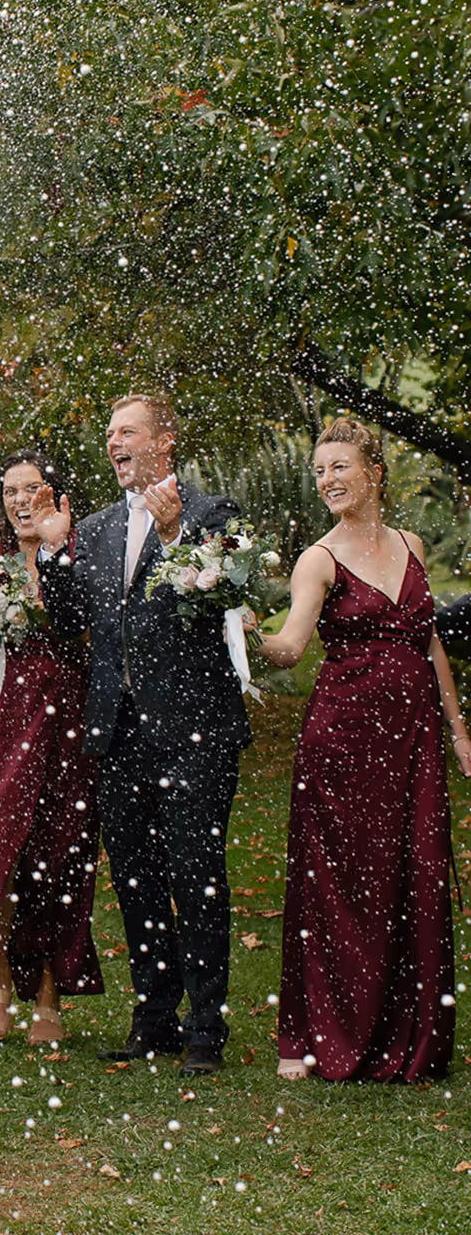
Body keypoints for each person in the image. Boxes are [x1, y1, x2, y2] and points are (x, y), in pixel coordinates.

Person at [29, 394, 248, 1075]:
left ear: (164, 441)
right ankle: (154, 1017)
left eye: (127, 431)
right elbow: (70, 622)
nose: (114, 442)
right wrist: (55, 550)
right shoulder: (94, 529)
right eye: (109, 433)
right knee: (136, 879)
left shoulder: (214, 513)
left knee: (197, 876)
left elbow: (221, 598)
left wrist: (177, 535)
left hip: (194, 729)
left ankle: (205, 1027)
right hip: (117, 731)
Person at [255, 418, 470, 1082]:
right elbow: (292, 644)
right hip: (343, 741)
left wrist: (459, 730)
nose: (327, 480)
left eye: (340, 467)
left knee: (415, 874)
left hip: (413, 740)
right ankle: (321, 1032)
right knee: (341, 882)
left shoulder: (411, 544)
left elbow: (429, 642)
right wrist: (248, 636)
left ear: (375, 472)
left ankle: (410, 1035)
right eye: (320, 471)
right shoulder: (317, 559)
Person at [0, 450, 101, 1045]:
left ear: (53, 494)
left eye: (31, 488)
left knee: (58, 850)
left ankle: (50, 989)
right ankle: (0, 981)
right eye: (10, 491)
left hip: (64, 715)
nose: (19, 500)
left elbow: (91, 633)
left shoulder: (79, 549)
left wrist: (40, 608)